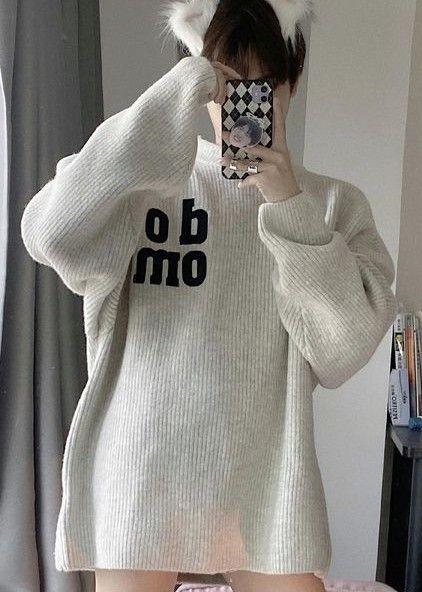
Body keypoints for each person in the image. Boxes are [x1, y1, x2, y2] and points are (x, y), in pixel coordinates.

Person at [20, 1, 398, 591]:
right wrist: (169, 101)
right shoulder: (140, 184)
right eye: (224, 79)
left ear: (291, 85)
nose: (242, 99)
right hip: (138, 471)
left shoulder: (331, 206)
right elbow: (48, 233)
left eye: (262, 84)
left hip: (267, 479)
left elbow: (342, 350)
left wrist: (286, 202)